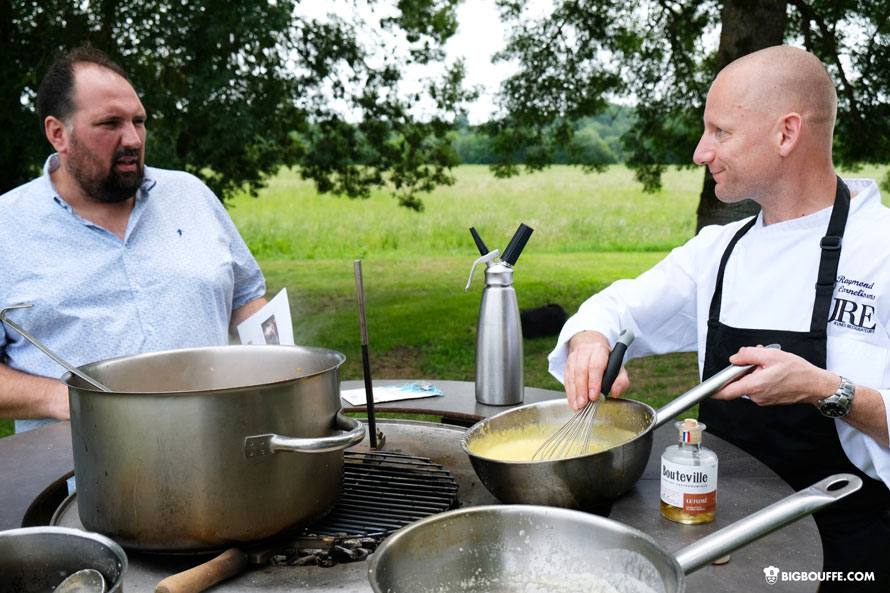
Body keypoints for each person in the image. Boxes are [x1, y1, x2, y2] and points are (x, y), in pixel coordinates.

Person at [548, 46, 889, 591]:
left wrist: (830, 391)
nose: (699, 151)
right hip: (720, 544)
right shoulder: (718, 251)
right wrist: (591, 339)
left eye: (720, 132)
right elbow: (615, 308)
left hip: (847, 554)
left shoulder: (882, 251)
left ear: (786, 134)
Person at [0, 46, 268, 433]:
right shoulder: (7, 227)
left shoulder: (190, 194)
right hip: (81, 479)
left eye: (138, 121)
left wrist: (282, 374)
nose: (132, 139)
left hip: (222, 457)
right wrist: (68, 398)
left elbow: (246, 300)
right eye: (110, 124)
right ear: (58, 132)